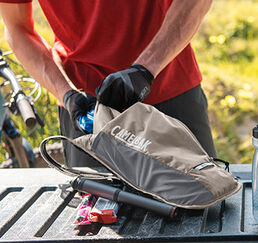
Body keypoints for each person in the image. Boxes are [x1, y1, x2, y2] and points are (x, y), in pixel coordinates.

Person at [0, 0, 216, 167]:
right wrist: (66, 93)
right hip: (84, 113)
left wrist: (146, 68)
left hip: (170, 92)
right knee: (97, 218)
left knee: (203, 213)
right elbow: (17, 28)